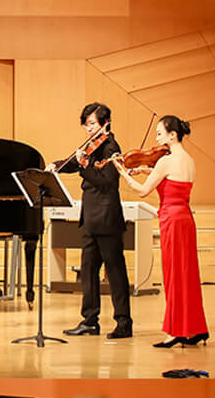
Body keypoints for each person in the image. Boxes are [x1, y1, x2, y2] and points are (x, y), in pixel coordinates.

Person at [118, 115, 206, 347]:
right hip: (186, 218)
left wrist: (123, 173)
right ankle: (196, 329)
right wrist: (145, 169)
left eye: (160, 133)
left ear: (172, 135)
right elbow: (171, 180)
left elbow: (142, 191)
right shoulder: (189, 160)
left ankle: (176, 332)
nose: (156, 139)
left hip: (171, 220)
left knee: (174, 275)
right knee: (188, 275)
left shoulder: (165, 162)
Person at [58, 102, 132, 340]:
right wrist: (56, 167)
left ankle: (124, 322)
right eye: (86, 124)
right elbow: (75, 163)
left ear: (105, 123)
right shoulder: (92, 146)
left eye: (92, 124)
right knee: (88, 271)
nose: (88, 129)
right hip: (90, 218)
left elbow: (106, 181)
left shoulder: (111, 147)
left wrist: (85, 166)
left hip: (107, 217)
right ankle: (90, 321)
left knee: (115, 271)